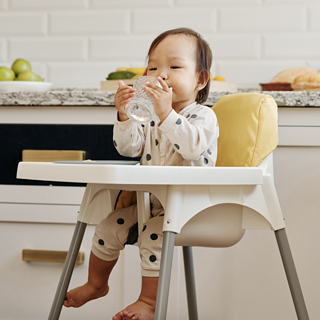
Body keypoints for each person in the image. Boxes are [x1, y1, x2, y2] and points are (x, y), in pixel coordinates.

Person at [64, 27, 219, 320]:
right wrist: (124, 115)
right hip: (153, 203)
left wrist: (166, 115)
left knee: (152, 232)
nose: (161, 74)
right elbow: (128, 147)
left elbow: (193, 148)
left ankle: (148, 302)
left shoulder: (203, 116)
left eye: (174, 67)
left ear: (200, 79)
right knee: (109, 225)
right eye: (152, 66)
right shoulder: (149, 117)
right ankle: (96, 284)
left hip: (192, 205)